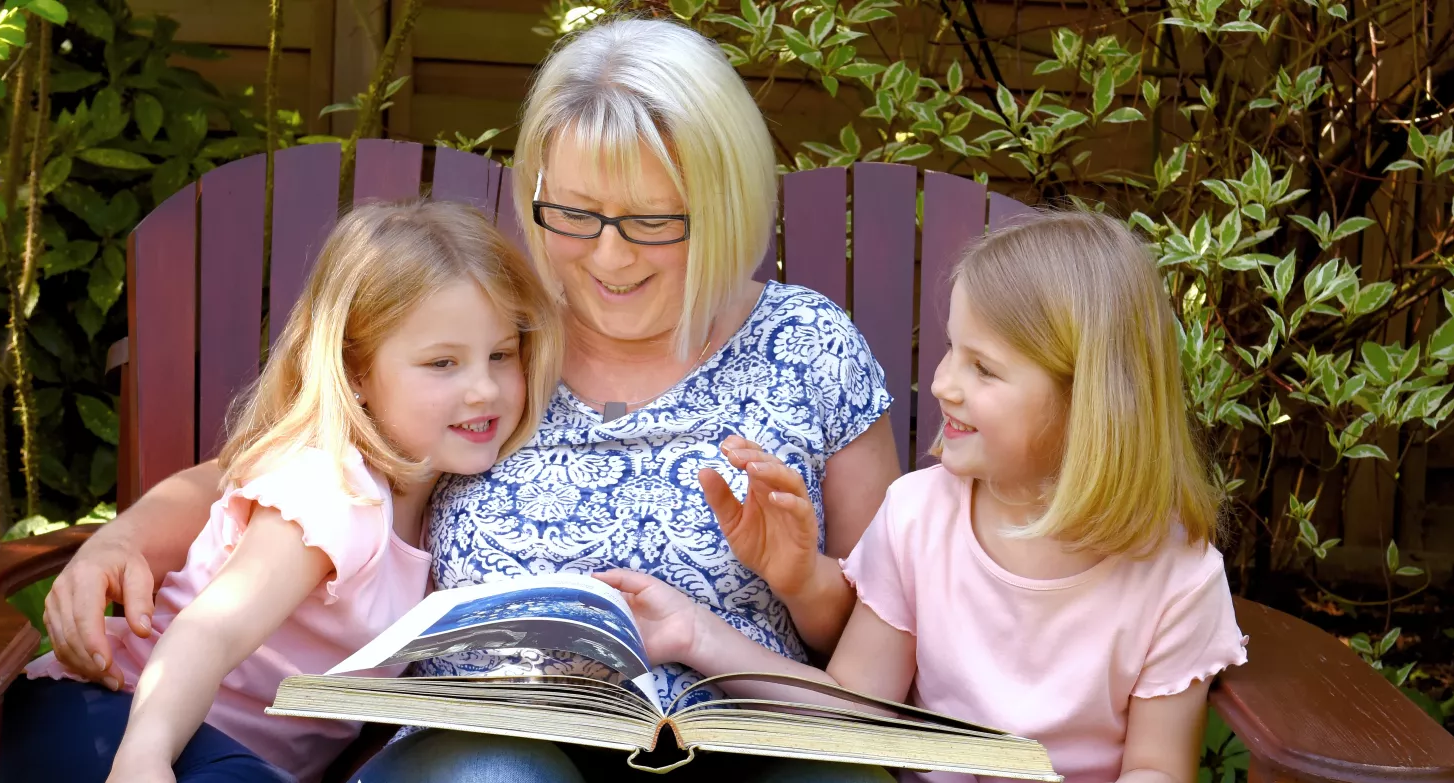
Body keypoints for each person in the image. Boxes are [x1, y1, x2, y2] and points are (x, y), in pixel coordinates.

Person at [45, 17, 901, 782]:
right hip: (487, 746)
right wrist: (118, 540)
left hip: (746, 740)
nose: (607, 257)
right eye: (573, 212)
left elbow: (885, 622)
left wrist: (800, 577)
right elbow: (271, 468)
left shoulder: (807, 348)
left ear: (725, 203)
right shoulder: (492, 324)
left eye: (651, 220)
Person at [600, 210, 1249, 783]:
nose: (942, 383)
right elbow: (854, 709)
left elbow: (1157, 767)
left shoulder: (1178, 576)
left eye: (983, 368)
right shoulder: (920, 516)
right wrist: (695, 633)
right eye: (950, 352)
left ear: (1092, 404)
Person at [0, 201, 561, 783]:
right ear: (356, 374)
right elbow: (210, 630)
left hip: (222, 756)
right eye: (442, 363)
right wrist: (146, 756)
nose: (482, 389)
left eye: (500, 355)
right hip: (115, 720)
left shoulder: (448, 504)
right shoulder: (336, 494)